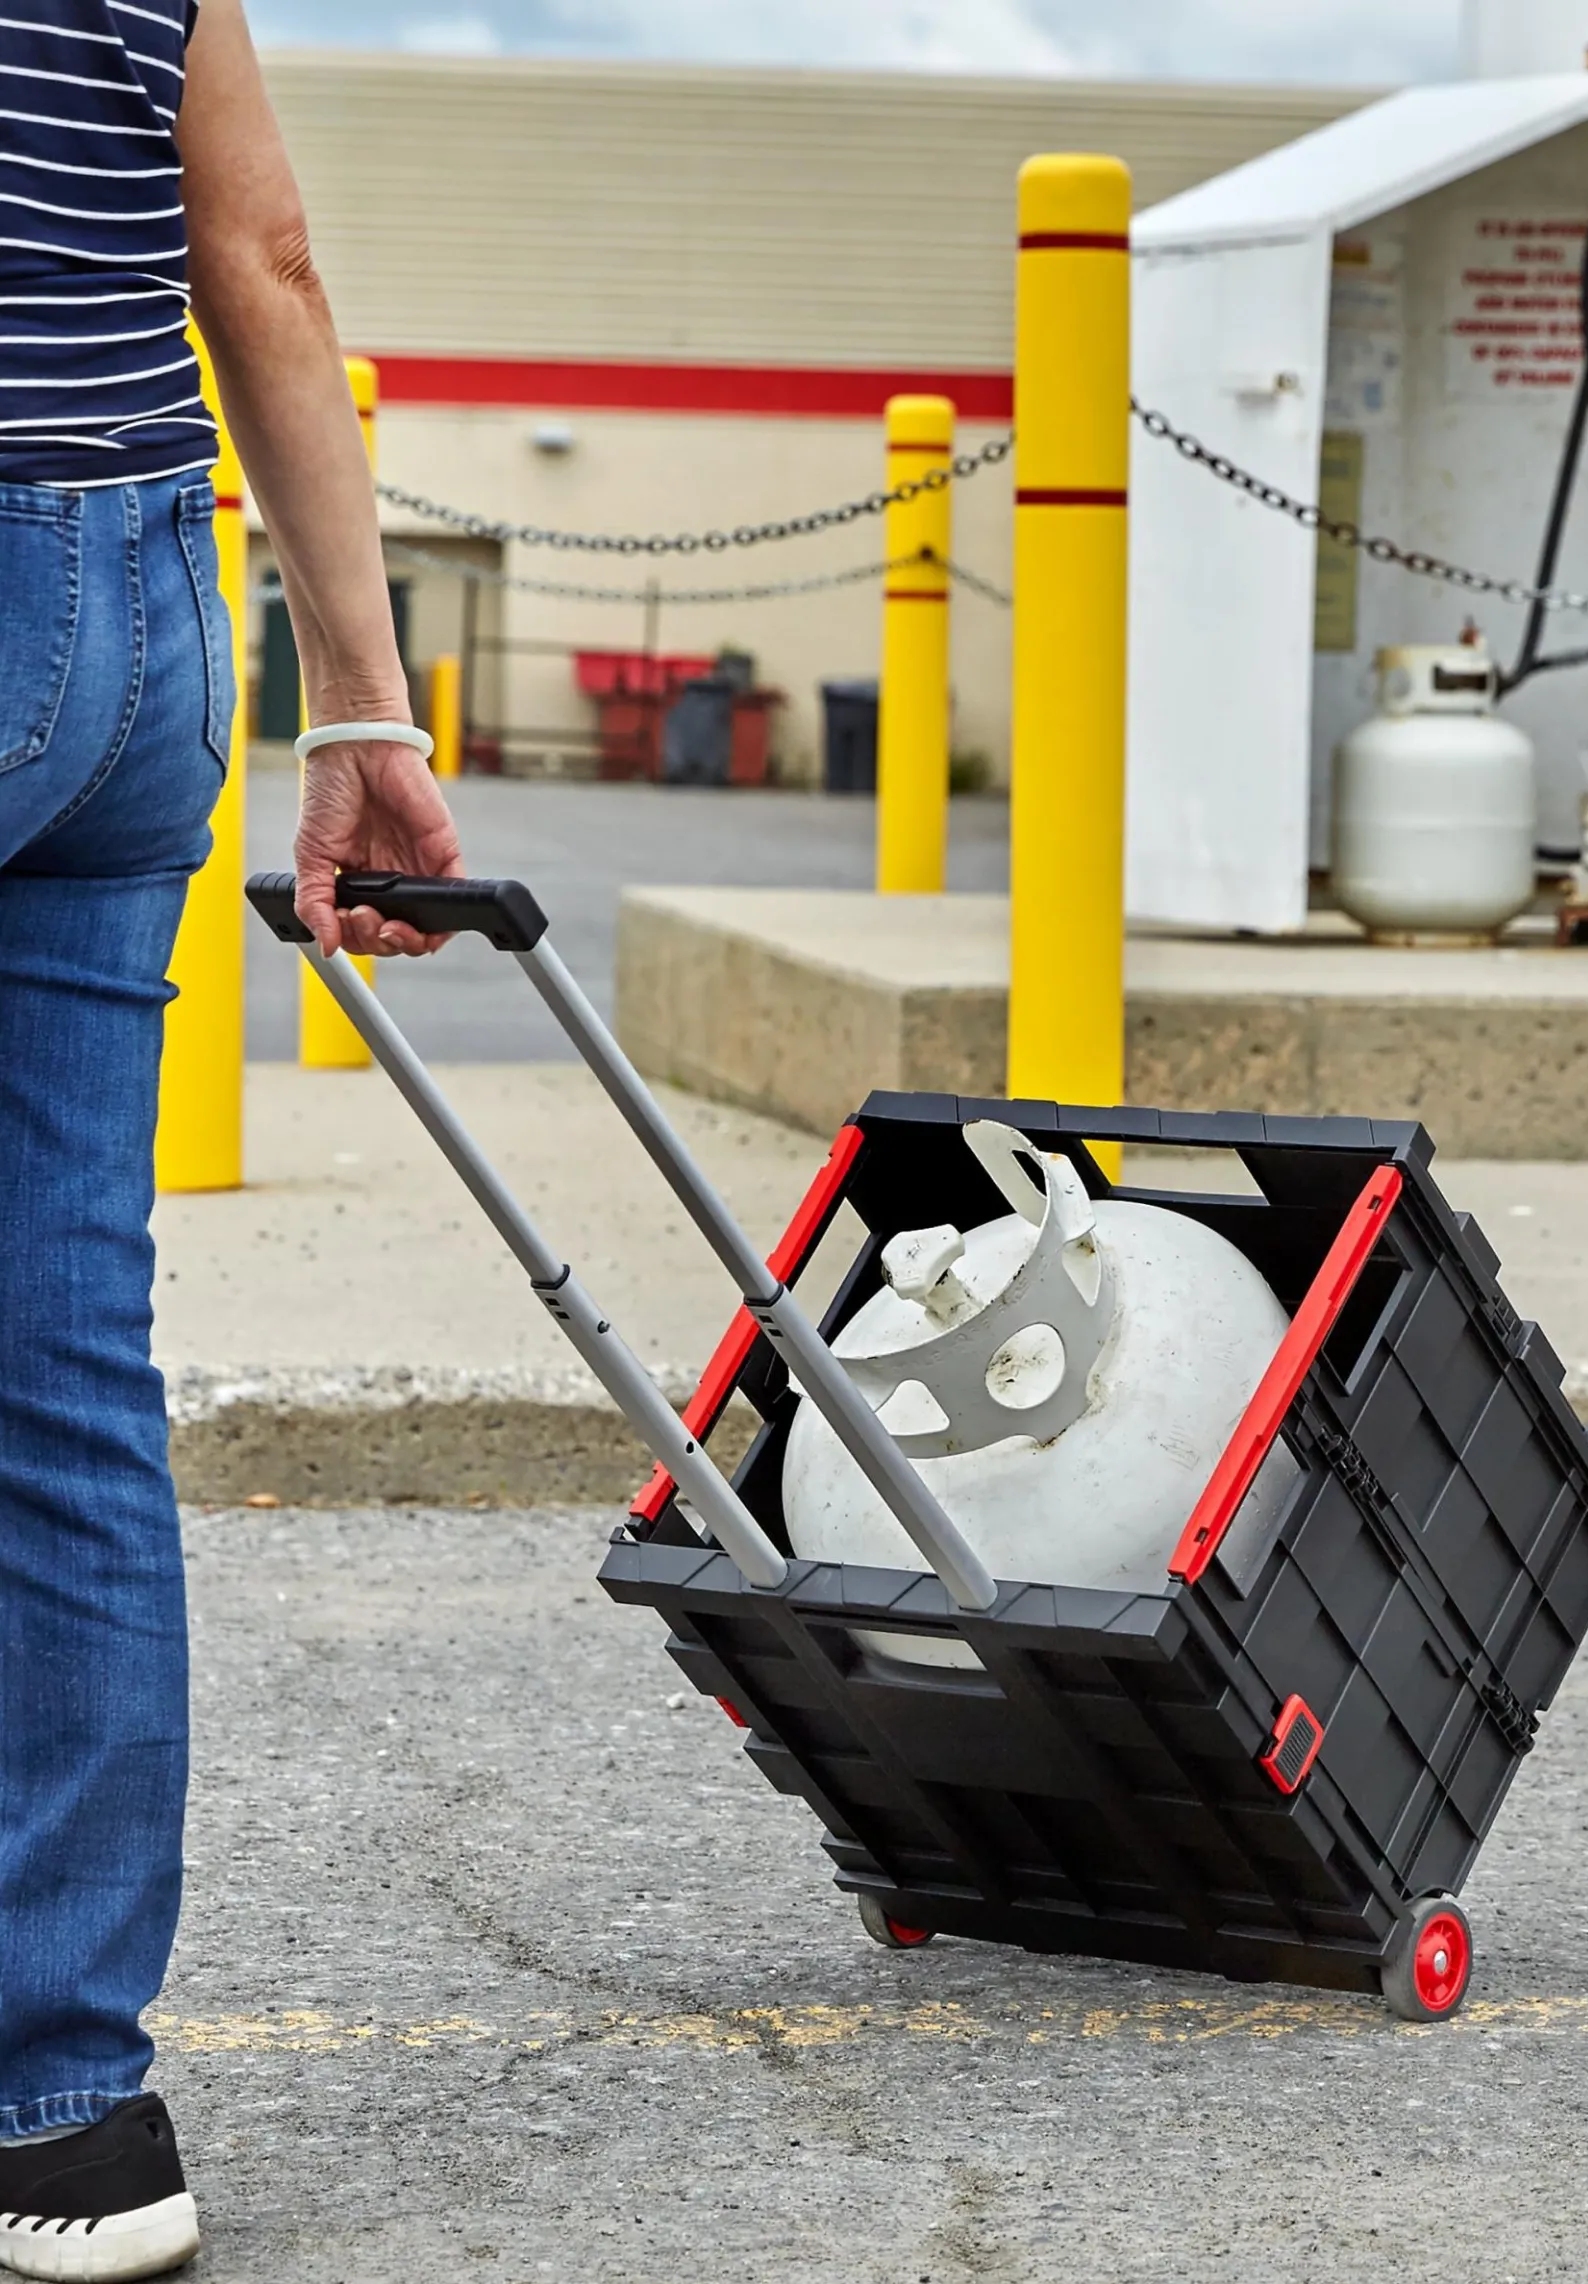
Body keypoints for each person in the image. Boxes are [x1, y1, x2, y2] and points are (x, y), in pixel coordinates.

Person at [0, 4, 461, 2274]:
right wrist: (357, 698)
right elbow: (256, 254)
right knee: (59, 1370)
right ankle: (65, 2117)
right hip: (135, 590)